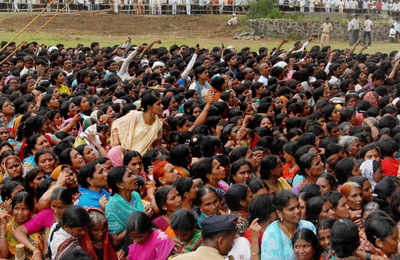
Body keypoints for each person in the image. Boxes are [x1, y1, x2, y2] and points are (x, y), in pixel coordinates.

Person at [261, 190, 316, 260]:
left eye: (298, 206)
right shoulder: (271, 233)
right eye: (291, 209)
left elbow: (316, 253)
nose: (297, 211)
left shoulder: (308, 226)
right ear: (279, 213)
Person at [111, 91, 163, 155]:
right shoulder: (133, 116)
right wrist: (117, 145)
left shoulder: (158, 124)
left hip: (144, 159)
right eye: (158, 104)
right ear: (149, 107)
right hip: (126, 155)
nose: (162, 106)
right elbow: (116, 124)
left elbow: (157, 146)